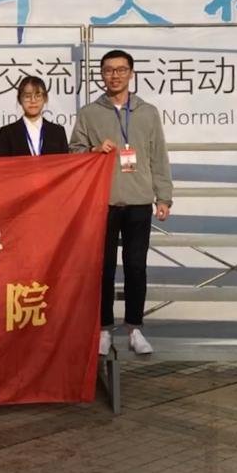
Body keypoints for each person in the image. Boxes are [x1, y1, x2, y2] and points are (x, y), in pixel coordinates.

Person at [69, 50, 172, 356]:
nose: (114, 75)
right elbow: (73, 152)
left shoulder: (148, 112)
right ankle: (103, 329)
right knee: (102, 268)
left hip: (139, 200)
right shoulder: (89, 113)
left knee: (136, 267)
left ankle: (135, 328)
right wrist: (94, 149)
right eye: (108, 70)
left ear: (131, 73)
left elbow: (158, 157)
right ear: (101, 75)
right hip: (103, 201)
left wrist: (163, 196)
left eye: (121, 70)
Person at [0, 75, 69, 157]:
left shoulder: (58, 132)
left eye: (38, 96)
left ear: (45, 98)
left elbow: (65, 162)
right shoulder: (7, 133)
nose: (33, 101)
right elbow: (3, 164)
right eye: (27, 96)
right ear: (19, 99)